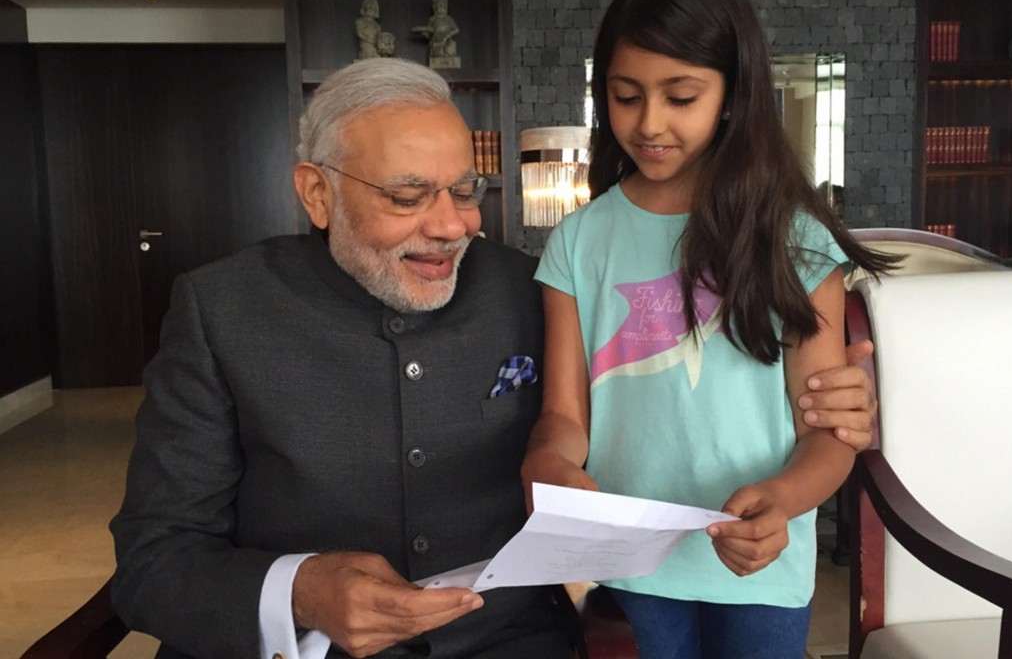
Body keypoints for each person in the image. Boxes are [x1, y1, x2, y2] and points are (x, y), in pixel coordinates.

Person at [109, 57, 879, 659]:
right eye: (408, 197)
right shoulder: (222, 310)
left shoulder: (523, 288)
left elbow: (660, 381)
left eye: (465, 189)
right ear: (316, 194)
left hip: (503, 645)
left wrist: (844, 400)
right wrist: (303, 591)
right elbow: (153, 561)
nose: (450, 226)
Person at [520, 0, 899, 658]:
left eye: (682, 97)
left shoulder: (794, 238)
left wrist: (783, 499)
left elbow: (831, 432)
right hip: (631, 560)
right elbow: (565, 416)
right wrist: (548, 462)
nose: (648, 124)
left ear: (734, 94)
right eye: (626, 95)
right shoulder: (578, 242)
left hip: (759, 564)